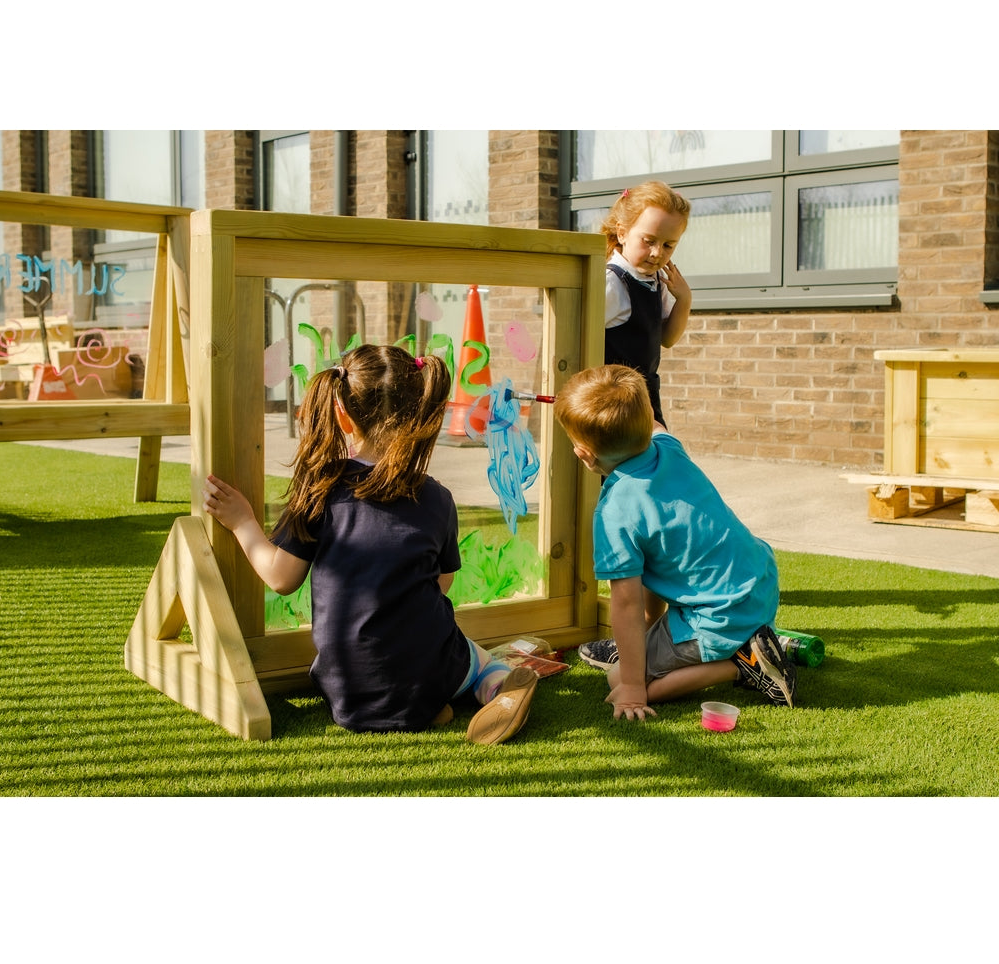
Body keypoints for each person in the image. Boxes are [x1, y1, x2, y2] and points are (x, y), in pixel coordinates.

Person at [202, 344, 537, 745]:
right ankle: (496, 686)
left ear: (341, 413)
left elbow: (280, 578)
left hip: (347, 696)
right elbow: (443, 582)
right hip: (429, 672)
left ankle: (428, 706)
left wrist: (242, 522)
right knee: (476, 657)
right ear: (418, 413)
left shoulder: (320, 489)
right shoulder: (437, 497)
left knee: (421, 654)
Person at [553, 363, 796, 721]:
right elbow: (653, 424)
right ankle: (749, 643)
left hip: (718, 615)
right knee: (640, 650)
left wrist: (633, 685)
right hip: (758, 582)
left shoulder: (614, 512)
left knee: (618, 678)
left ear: (584, 454)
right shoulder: (668, 448)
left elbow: (626, 603)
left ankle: (744, 665)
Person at [600, 180, 693, 428]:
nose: (657, 253)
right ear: (622, 233)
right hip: (613, 403)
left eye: (668, 245)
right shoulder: (612, 283)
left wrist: (684, 299)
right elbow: (578, 340)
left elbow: (667, 338)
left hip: (645, 397)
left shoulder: (654, 280)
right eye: (649, 240)